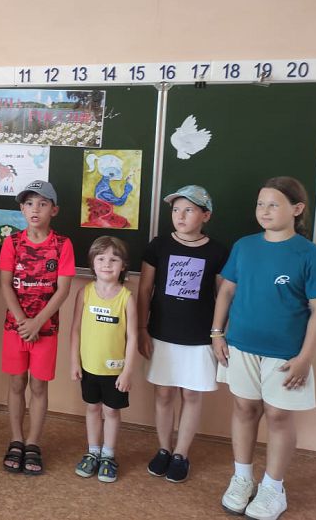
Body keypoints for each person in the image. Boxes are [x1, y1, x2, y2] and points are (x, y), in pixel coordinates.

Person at [212, 177, 316, 520]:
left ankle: (273, 487)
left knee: (279, 415)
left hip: (287, 354)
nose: (264, 211)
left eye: (273, 204)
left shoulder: (310, 254)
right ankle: (242, 478)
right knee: (244, 408)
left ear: (297, 209)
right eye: (260, 204)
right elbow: (226, 291)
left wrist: (305, 358)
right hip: (241, 346)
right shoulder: (245, 246)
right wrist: (217, 333)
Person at [136, 185, 228, 483]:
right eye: (176, 210)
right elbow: (144, 290)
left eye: (189, 210)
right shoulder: (159, 246)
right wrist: (141, 328)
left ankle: (181, 454)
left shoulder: (218, 251)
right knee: (164, 393)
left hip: (199, 337)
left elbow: (223, 296)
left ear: (205, 215)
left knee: (191, 394)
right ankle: (164, 448)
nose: (180, 215)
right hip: (161, 333)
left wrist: (218, 333)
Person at [0, 180, 74, 475]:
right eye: (29, 203)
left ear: (54, 210)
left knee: (39, 386)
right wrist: (23, 322)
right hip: (15, 328)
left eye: (42, 204)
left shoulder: (62, 245)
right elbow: (6, 285)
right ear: (21, 208)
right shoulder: (12, 243)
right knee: (17, 383)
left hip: (46, 330)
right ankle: (16, 439)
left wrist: (37, 322)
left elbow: (62, 290)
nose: (35, 209)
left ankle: (33, 442)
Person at [70, 236, 137, 483]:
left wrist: (128, 371)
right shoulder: (85, 293)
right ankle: (93, 451)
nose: (107, 264)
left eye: (113, 259)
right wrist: (74, 361)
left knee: (111, 411)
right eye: (101, 259)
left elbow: (133, 337)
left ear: (123, 265)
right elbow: (75, 330)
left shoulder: (127, 297)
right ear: (92, 263)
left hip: (115, 371)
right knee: (92, 408)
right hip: (89, 367)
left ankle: (108, 455)